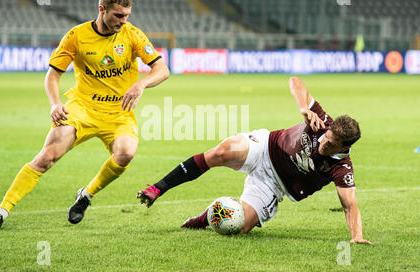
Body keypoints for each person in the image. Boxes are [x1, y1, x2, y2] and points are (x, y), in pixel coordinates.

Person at [0, 0, 170, 229]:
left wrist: (141, 85)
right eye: (118, 15)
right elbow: (53, 75)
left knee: (125, 153)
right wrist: (55, 104)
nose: (123, 20)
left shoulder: (132, 35)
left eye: (126, 15)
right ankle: (1, 211)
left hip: (119, 113)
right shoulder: (77, 36)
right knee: (47, 157)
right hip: (82, 109)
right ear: (102, 9)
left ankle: (86, 195)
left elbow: (162, 69)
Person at [137, 77, 371, 244]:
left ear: (345, 147)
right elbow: (295, 82)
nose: (324, 143)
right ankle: (158, 188)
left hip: (273, 187)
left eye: (330, 145)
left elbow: (350, 205)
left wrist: (356, 236)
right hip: (265, 147)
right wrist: (303, 109)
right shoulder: (322, 121)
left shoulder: (341, 168)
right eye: (326, 138)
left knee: (237, 228)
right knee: (221, 152)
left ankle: (208, 215)